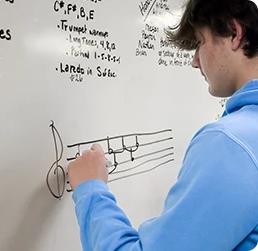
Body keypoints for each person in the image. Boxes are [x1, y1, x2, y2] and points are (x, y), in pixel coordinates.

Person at [67, 0, 258, 250]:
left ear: (234, 33)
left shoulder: (230, 144)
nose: (195, 62)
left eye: (200, 42)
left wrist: (91, 190)